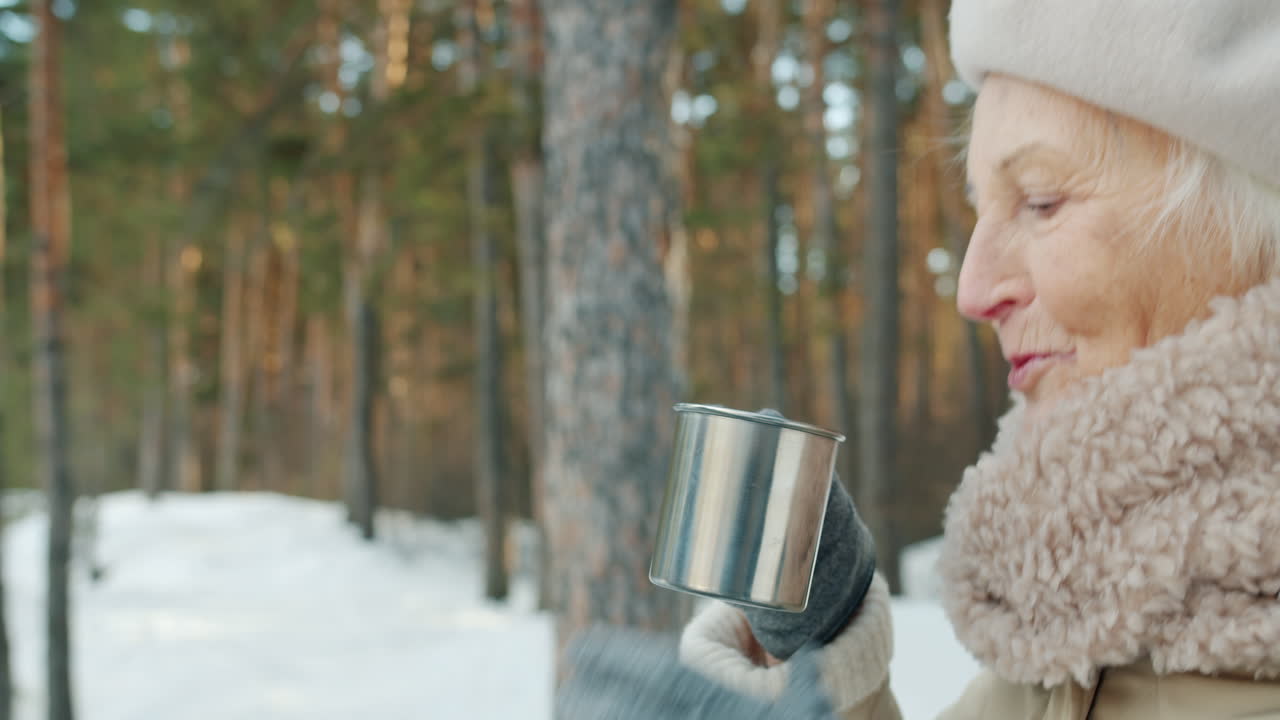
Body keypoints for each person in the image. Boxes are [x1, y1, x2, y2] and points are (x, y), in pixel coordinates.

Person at [557, 1, 1280, 718]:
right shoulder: (1087, 624)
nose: (973, 289)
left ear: (1254, 220)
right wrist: (820, 639)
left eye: (1041, 200)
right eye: (981, 212)